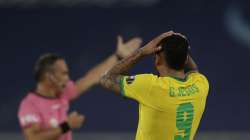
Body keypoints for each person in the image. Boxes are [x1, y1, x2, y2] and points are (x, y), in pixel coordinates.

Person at [18, 36, 142, 140]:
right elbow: (32, 138)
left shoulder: (63, 93)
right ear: (49, 77)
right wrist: (66, 126)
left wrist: (118, 57)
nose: (67, 78)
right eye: (63, 73)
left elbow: (91, 78)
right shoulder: (29, 104)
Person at [100, 31, 209, 140]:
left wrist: (141, 52)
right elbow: (193, 70)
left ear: (157, 60)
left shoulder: (151, 86)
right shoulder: (200, 85)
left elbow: (107, 79)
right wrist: (182, 48)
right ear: (186, 59)